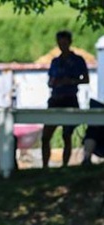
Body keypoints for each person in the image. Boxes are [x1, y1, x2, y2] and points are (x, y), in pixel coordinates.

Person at [41, 30, 89, 169]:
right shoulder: (55, 61)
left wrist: (71, 81)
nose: (62, 46)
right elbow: (50, 81)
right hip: (55, 98)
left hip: (70, 98)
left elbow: (85, 79)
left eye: (64, 43)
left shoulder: (78, 60)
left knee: (66, 134)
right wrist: (56, 82)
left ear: (69, 43)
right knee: (46, 136)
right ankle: (45, 166)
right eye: (60, 43)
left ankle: (65, 165)